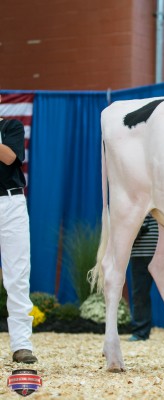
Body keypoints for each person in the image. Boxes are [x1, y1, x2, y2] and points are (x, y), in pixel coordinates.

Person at [0, 95, 38, 363]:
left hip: (10, 203)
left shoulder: (10, 126)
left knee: (17, 274)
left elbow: (10, 156)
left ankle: (22, 345)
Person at [128, 214, 158, 341]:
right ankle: (140, 332)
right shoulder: (134, 201)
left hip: (162, 254)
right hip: (139, 255)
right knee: (140, 294)